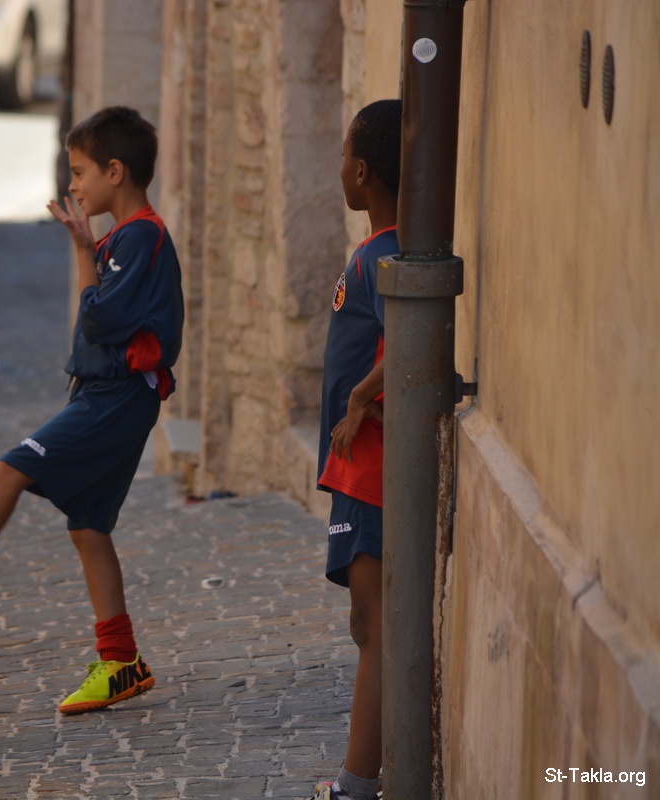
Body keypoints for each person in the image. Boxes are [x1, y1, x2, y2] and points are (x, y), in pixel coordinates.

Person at [0, 105, 183, 715]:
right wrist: (89, 247)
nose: (73, 184)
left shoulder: (139, 236)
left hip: (117, 396)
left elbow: (99, 318)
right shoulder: (125, 238)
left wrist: (82, 252)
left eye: (79, 172)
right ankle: (121, 661)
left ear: (115, 171)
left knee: (9, 470)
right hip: (110, 394)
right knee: (88, 527)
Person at [312, 98, 402, 800]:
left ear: (363, 171)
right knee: (365, 624)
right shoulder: (374, 250)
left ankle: (356, 785)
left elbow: (410, 342)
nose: (340, 168)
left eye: (345, 156)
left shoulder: (386, 255)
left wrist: (358, 399)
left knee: (374, 626)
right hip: (357, 470)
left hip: (370, 467)